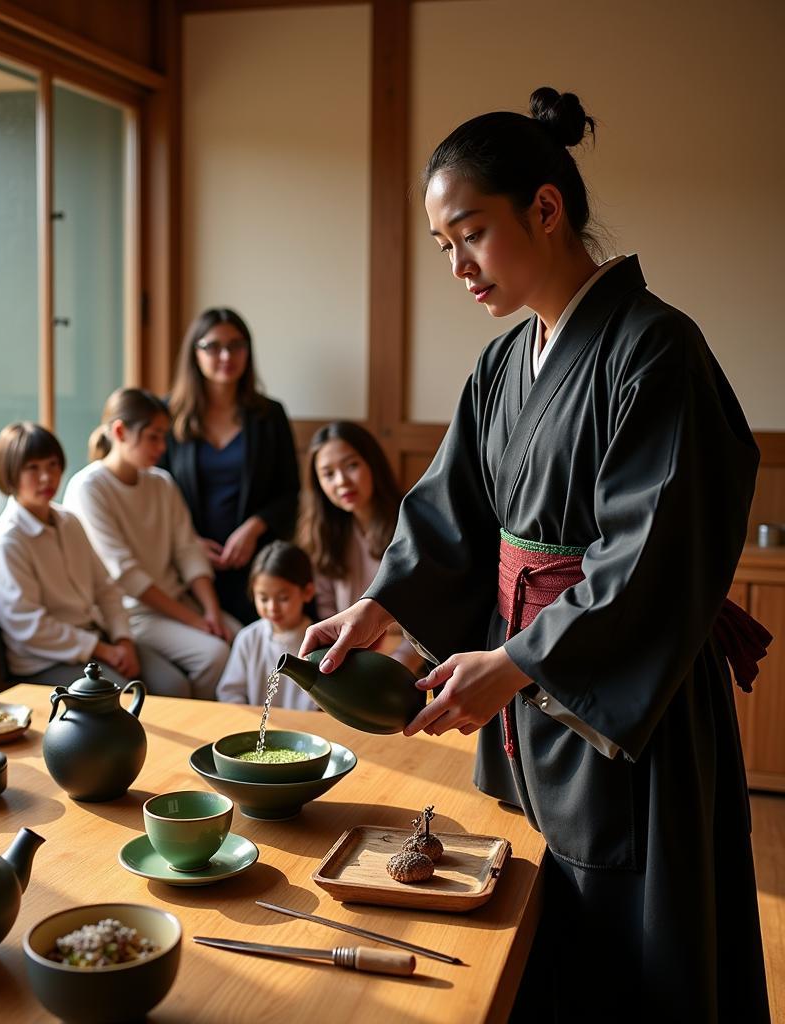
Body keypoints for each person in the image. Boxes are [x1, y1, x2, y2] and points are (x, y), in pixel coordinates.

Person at [301, 87, 770, 1022]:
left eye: (469, 233)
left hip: (622, 698)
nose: (457, 266)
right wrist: (383, 604)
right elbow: (451, 509)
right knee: (537, 921)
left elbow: (647, 559)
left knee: (633, 937)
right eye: (443, 247)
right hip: (532, 689)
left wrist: (517, 662)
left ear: (546, 209)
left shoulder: (657, 351)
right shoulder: (506, 363)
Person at [64, 388, 237, 700]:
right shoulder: (88, 488)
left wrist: (211, 611)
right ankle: (201, 730)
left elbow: (188, 551)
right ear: (119, 432)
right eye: (153, 437)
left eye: (163, 437)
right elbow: (126, 575)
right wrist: (197, 622)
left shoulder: (161, 482)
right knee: (213, 654)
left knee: (246, 639)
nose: (161, 447)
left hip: (179, 601)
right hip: (133, 614)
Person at [0, 422, 178, 691]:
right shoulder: (7, 540)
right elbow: (29, 626)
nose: (46, 478)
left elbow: (106, 587)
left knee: (174, 684)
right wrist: (102, 650)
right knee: (121, 694)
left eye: (52, 465)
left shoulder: (69, 521)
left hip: (98, 638)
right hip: (45, 659)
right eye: (33, 468)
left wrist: (123, 640)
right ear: (10, 474)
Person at [161, 307, 300, 625]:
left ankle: (269, 681)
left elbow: (290, 492)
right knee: (210, 656)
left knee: (261, 656)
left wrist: (254, 527)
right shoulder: (166, 415)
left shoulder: (270, 415)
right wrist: (189, 541)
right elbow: (152, 493)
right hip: (184, 566)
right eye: (213, 346)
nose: (226, 355)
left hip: (254, 566)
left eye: (237, 345)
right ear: (194, 353)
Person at [297, 421, 422, 672]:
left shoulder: (412, 521)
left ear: (372, 464)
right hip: (349, 657)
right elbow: (327, 611)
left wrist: (399, 664)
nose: (342, 481)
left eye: (351, 465)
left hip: (414, 656)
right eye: (328, 474)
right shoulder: (322, 534)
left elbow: (427, 614)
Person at [216, 540, 318, 710]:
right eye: (263, 598)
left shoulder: (319, 642)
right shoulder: (248, 639)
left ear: (307, 592)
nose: (272, 608)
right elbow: (230, 693)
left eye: (283, 598)